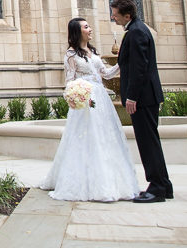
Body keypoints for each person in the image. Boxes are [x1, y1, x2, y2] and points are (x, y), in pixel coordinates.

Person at [39, 17, 139, 202]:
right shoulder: (70, 55)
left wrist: (122, 62)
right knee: (86, 138)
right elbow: (69, 81)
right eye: (86, 27)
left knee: (105, 136)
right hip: (86, 101)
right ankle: (81, 181)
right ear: (78, 32)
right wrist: (74, 97)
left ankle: (110, 180)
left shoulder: (92, 51)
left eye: (89, 26)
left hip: (100, 98)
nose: (90, 29)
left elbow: (106, 74)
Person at [110, 0, 173, 203]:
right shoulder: (137, 29)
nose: (113, 17)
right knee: (150, 141)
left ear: (127, 15)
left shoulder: (136, 32)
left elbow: (139, 69)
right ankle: (164, 184)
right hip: (147, 96)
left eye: (115, 14)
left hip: (143, 97)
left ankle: (157, 188)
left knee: (147, 143)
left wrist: (132, 97)